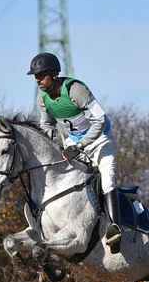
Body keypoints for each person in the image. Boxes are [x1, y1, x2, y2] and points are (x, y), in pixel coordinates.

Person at [28, 52, 122, 251]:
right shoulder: (42, 98)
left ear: (54, 74)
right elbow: (47, 125)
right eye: (35, 75)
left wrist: (80, 146)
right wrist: (56, 145)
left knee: (107, 179)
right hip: (73, 144)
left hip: (99, 140)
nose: (37, 79)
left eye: (41, 75)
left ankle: (115, 229)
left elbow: (101, 121)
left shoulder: (76, 90)